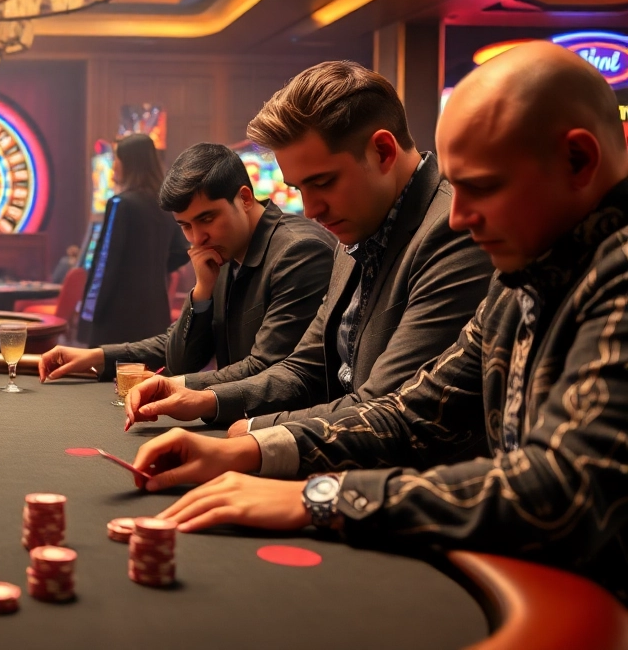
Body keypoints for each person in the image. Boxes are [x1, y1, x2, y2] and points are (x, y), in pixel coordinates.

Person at [130, 41, 628, 604]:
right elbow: (414, 412)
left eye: (481, 187)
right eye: (457, 188)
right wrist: (247, 450)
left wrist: (320, 497)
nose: (460, 215)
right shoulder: (530, 267)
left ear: (579, 161)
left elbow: (563, 491)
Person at [126, 61, 492, 429]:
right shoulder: (356, 227)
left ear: (383, 151)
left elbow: (386, 407)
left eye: (324, 182)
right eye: (301, 189)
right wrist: (207, 398)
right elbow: (306, 368)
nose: (312, 209)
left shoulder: (453, 228)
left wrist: (257, 436)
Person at [39, 143, 336, 387]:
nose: (198, 238)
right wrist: (97, 356)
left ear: (244, 198)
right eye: (185, 226)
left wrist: (174, 387)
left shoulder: (298, 252)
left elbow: (266, 370)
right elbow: (180, 358)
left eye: (207, 219)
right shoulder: (220, 251)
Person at [78, 133, 190, 346]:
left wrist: (88, 315)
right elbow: (182, 250)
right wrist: (152, 270)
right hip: (154, 313)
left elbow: (104, 265)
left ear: (129, 164)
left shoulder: (121, 204)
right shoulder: (166, 204)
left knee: (111, 376)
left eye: (116, 161)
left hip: (117, 315)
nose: (113, 168)